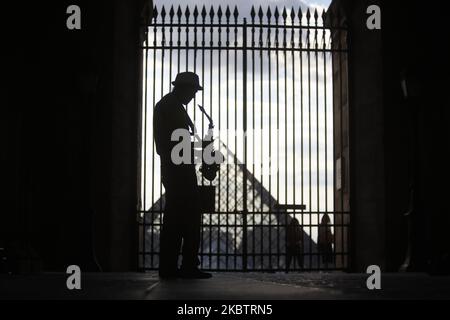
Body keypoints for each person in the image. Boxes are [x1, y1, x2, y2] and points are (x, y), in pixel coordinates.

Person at [153, 72, 211, 279]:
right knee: (186, 219)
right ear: (183, 88)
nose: (194, 96)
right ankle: (184, 265)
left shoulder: (169, 106)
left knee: (178, 220)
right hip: (179, 172)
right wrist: (203, 152)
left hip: (176, 170)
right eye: (193, 91)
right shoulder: (171, 108)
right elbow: (175, 145)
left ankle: (174, 265)